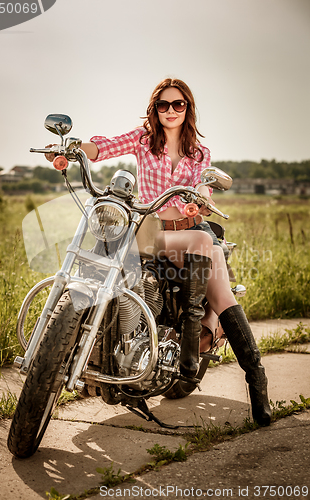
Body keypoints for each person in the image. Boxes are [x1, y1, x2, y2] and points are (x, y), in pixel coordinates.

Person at [45, 78, 272, 426]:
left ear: (187, 109)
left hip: (186, 234)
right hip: (146, 232)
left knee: (219, 284)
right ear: (155, 109)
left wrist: (199, 202)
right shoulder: (142, 139)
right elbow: (103, 147)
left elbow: (203, 190)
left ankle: (256, 381)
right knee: (100, 255)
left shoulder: (199, 153)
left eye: (177, 105)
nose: (170, 111)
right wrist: (74, 149)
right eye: (163, 105)